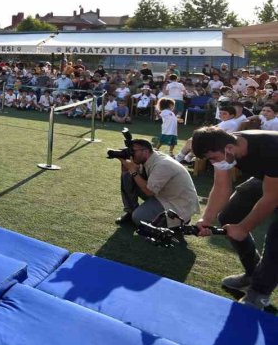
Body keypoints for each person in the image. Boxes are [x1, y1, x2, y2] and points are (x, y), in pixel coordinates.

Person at [192, 127, 278, 310]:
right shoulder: (225, 145)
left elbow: (271, 199)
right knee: (230, 215)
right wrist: (206, 219)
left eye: (213, 158)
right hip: (271, 178)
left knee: (276, 237)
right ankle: (253, 272)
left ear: (229, 148)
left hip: (274, 180)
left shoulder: (271, 149)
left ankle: (259, 293)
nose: (213, 163)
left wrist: (244, 228)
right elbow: (221, 187)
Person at [115, 138, 200, 228]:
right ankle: (130, 211)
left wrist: (132, 170)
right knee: (128, 177)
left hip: (178, 203)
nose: (131, 153)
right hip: (165, 195)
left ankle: (179, 220)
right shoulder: (151, 157)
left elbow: (149, 192)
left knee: (138, 217)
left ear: (146, 151)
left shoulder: (162, 164)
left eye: (133, 151)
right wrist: (125, 168)